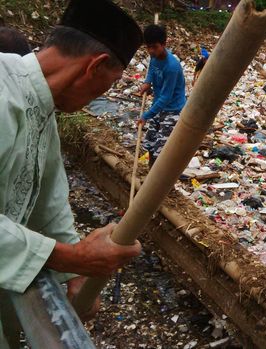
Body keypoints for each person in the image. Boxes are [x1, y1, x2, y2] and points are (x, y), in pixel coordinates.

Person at [0, 0, 143, 346]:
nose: (97, 99)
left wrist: (73, 274)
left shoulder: (41, 106)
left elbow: (49, 200)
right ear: (93, 67)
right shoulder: (4, 93)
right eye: (105, 89)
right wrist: (72, 256)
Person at [138, 24, 187, 167]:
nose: (151, 51)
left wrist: (145, 116)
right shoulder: (154, 57)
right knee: (150, 144)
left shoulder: (171, 66)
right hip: (159, 106)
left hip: (172, 110)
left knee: (161, 150)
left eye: (154, 47)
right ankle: (150, 176)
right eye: (148, 47)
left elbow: (166, 98)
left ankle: (156, 182)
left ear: (164, 44)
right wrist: (147, 82)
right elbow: (152, 70)